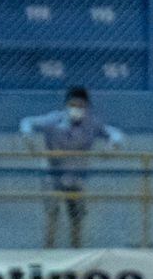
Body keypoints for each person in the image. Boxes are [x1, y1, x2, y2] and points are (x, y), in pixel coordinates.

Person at [19, 87, 125, 250]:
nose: (76, 109)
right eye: (73, 105)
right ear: (66, 105)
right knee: (52, 213)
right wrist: (28, 137)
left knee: (76, 215)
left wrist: (112, 146)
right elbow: (27, 122)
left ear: (87, 107)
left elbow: (116, 134)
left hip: (77, 176)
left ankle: (76, 250)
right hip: (52, 173)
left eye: (81, 106)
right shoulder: (54, 119)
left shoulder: (92, 123)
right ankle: (48, 250)